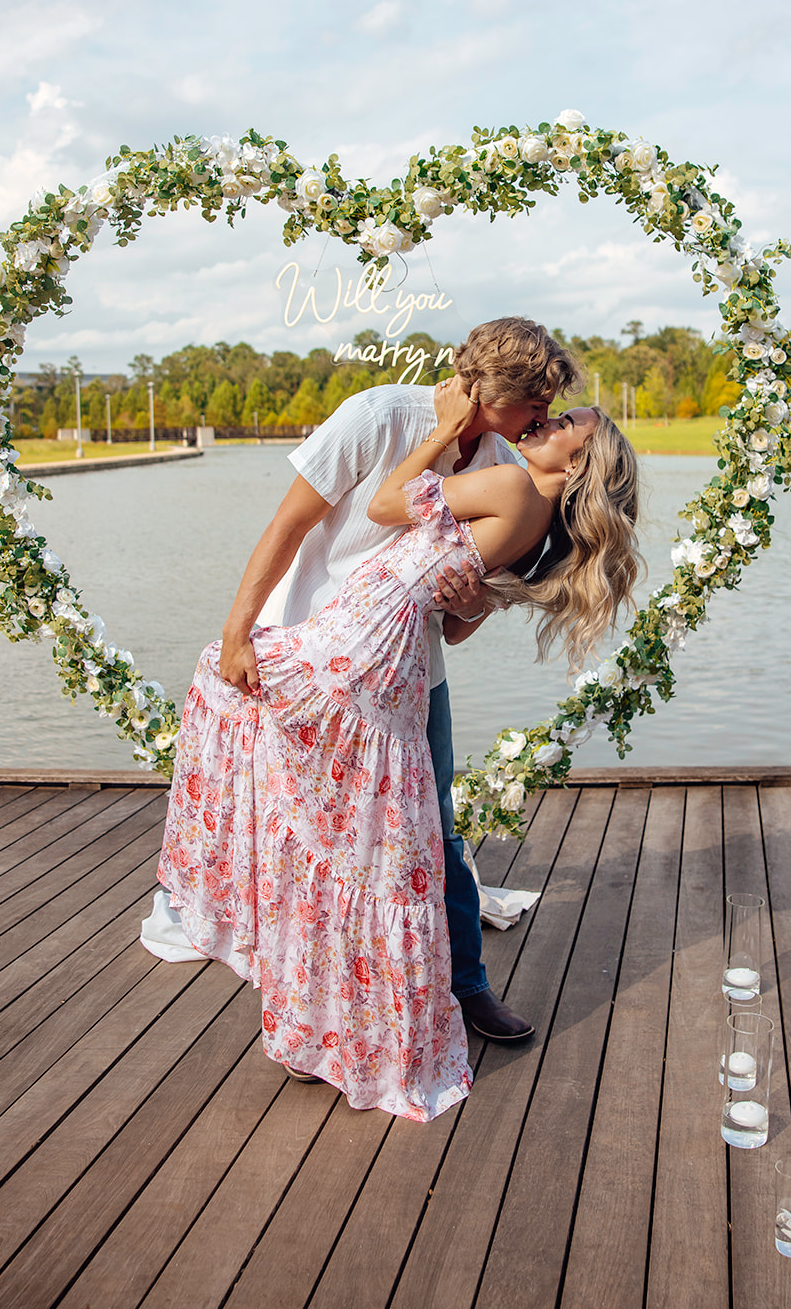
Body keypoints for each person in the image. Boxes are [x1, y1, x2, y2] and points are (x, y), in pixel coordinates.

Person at [157, 379, 640, 1119]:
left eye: (567, 421)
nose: (551, 416)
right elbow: (456, 615)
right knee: (375, 847)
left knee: (337, 818)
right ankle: (337, 1022)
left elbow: (388, 506)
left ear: (578, 465)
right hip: (381, 657)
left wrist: (438, 438)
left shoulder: (511, 476)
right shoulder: (536, 513)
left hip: (364, 653)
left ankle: (353, 1015)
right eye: (548, 406)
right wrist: (467, 587)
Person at [215, 316, 583, 1044]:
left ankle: (465, 986)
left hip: (411, 676)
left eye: (547, 407)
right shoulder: (379, 416)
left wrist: (474, 604)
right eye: (531, 404)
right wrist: (237, 632)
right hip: (312, 656)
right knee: (313, 837)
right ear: (483, 389)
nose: (541, 418)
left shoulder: (508, 459)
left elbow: (463, 614)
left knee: (432, 830)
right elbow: (287, 526)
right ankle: (321, 1006)